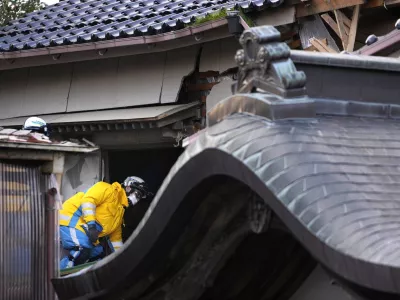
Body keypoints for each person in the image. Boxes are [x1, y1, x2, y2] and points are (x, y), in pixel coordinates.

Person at [59, 176, 151, 269]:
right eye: (137, 194)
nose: (137, 199)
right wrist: (91, 225)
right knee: (82, 250)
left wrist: (123, 258)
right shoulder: (107, 189)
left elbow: (115, 240)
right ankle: (61, 272)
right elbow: (88, 201)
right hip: (72, 220)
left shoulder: (119, 213)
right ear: (128, 187)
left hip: (84, 229)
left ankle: (81, 276)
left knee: (97, 255)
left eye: (139, 197)